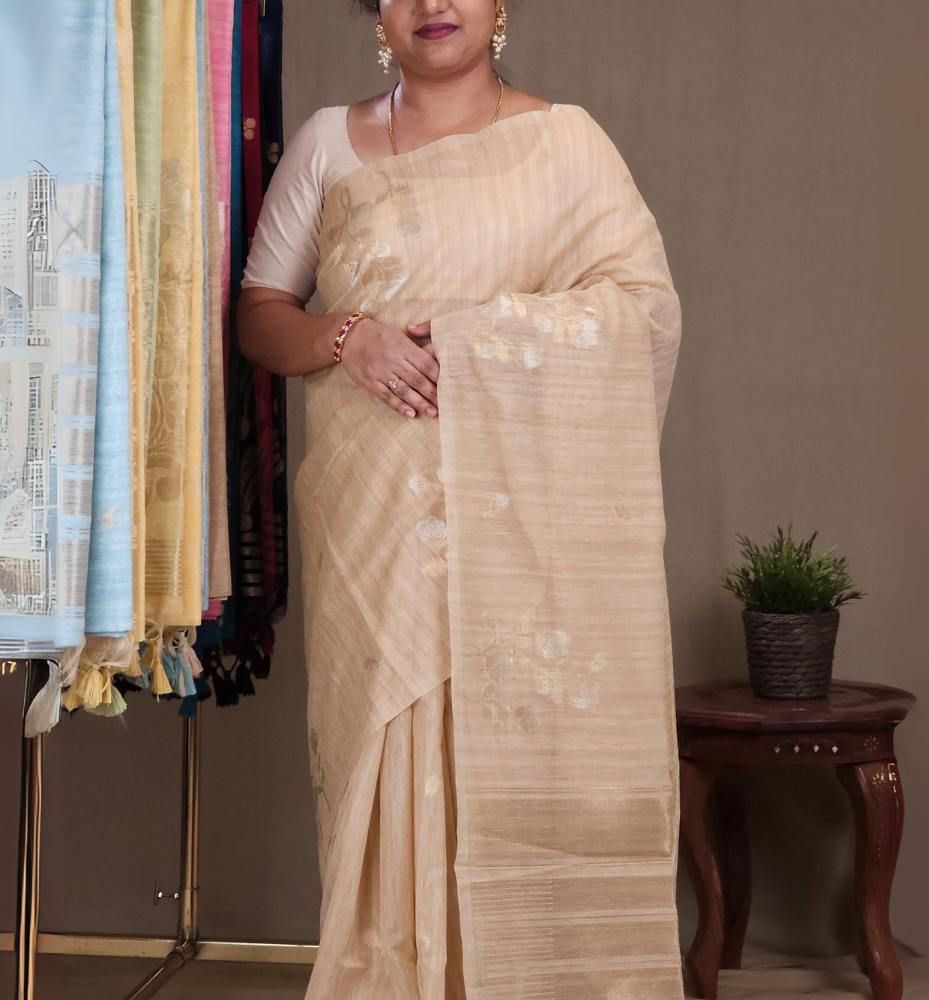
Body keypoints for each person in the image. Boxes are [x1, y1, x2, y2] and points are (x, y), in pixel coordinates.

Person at [238, 2, 685, 997]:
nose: (432, 3)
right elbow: (261, 315)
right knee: (387, 747)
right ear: (376, 15)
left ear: (499, 7)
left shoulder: (567, 145)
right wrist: (351, 336)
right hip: (375, 525)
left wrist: (486, 338)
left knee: (535, 747)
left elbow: (645, 314)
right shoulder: (327, 143)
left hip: (524, 535)